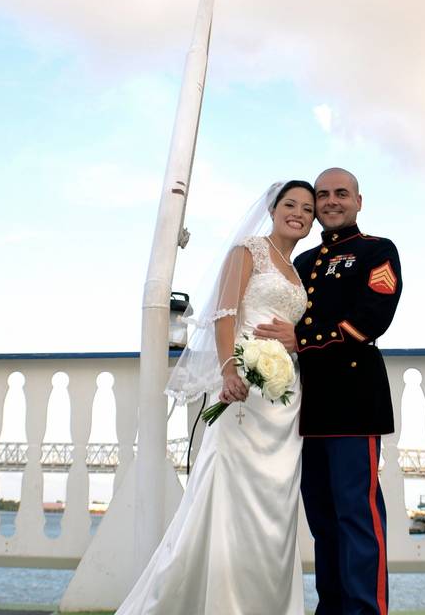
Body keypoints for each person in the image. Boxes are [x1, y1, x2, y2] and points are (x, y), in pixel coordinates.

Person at [115, 180, 316, 615]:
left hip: (285, 401)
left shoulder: (298, 270)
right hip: (243, 388)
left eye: (308, 208)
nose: (299, 213)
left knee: (276, 507)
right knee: (229, 495)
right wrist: (229, 369)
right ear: (273, 207)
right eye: (290, 204)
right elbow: (225, 314)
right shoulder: (249, 250)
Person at [256, 167, 402, 615]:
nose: (331, 201)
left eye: (342, 193)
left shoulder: (378, 251)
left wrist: (305, 339)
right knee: (321, 520)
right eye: (323, 195)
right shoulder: (301, 263)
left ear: (359, 201)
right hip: (307, 406)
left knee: (357, 516)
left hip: (354, 401)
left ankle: (364, 610)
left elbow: (372, 317)